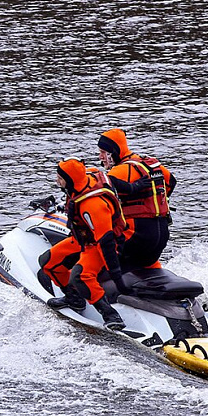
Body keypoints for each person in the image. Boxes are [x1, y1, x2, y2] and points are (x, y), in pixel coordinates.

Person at [38, 158, 126, 330]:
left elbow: (106, 241)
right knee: (48, 262)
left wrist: (116, 274)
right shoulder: (80, 183)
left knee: (80, 276)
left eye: (60, 178)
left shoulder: (92, 205)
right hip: (83, 239)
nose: (57, 181)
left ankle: (110, 315)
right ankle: (74, 299)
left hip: (100, 244)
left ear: (70, 180)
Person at [96, 128, 173, 277]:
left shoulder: (120, 171)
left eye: (102, 152)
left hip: (137, 235)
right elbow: (171, 182)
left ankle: (79, 295)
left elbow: (96, 191)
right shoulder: (151, 164)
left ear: (112, 152)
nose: (100, 157)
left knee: (95, 261)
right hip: (161, 234)